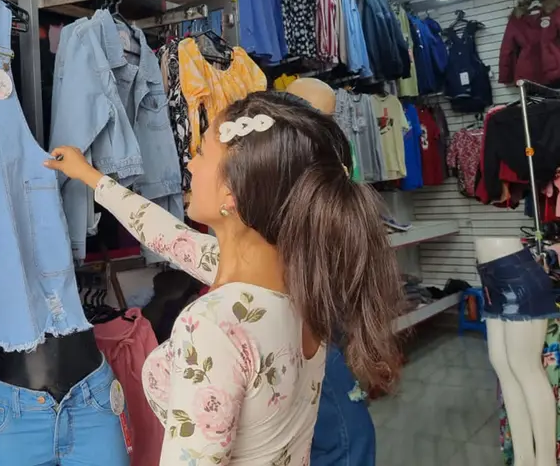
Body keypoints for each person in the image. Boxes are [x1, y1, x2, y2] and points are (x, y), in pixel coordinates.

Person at [46, 92, 402, 465]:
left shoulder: (214, 324)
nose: (190, 163)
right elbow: (166, 234)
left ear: (231, 194)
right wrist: (89, 175)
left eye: (201, 153)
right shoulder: (299, 280)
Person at [283, 79, 378, 466]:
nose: (327, 127)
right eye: (317, 118)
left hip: (328, 297)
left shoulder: (328, 157)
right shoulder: (281, 163)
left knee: (338, 420)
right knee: (342, 426)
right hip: (300, 303)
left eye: (330, 118)